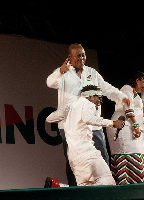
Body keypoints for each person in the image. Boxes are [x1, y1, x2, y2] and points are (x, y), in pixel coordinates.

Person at [46, 43, 130, 186]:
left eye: (83, 54)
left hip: (94, 125)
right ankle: (73, 192)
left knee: (102, 159)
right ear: (70, 57)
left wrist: (121, 96)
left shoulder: (92, 72)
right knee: (74, 164)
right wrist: (60, 71)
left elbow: (106, 88)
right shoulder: (64, 74)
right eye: (78, 55)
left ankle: (100, 192)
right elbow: (50, 83)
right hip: (72, 126)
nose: (82, 58)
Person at [64, 85, 124, 186]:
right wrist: (113, 123)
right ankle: (61, 187)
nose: (101, 101)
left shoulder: (72, 107)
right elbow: (89, 119)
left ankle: (57, 186)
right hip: (87, 153)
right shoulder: (87, 103)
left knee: (86, 189)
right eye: (99, 97)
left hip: (74, 157)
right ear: (90, 96)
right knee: (108, 181)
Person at [107, 71, 144, 185]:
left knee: (137, 152)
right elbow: (128, 106)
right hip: (123, 126)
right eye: (143, 82)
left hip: (129, 126)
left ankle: (137, 183)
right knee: (127, 152)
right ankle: (126, 184)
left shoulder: (134, 93)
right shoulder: (127, 89)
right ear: (137, 80)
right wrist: (136, 125)